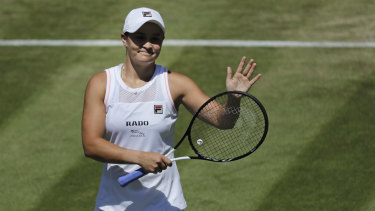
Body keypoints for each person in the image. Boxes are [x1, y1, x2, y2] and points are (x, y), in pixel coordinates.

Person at [81, 7, 261, 211]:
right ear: (124, 39)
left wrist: (234, 100)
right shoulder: (102, 84)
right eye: (140, 37)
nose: (148, 45)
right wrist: (140, 157)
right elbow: (91, 145)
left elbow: (224, 121)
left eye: (155, 39)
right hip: (113, 205)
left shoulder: (176, 84)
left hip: (165, 205)